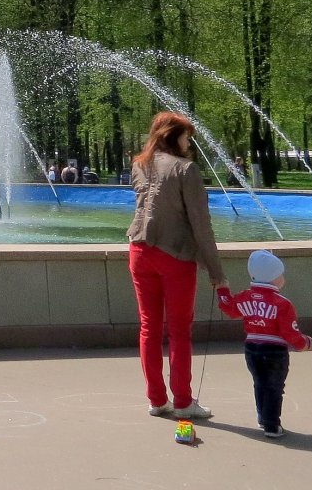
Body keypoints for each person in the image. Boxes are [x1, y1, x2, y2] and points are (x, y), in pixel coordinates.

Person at [127, 111, 227, 420]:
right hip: (175, 255)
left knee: (149, 328)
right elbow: (201, 225)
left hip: (139, 251)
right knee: (180, 331)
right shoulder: (187, 169)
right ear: (173, 136)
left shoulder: (139, 165)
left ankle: (157, 400)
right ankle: (183, 401)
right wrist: (216, 272)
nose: (190, 144)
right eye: (187, 137)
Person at [217, 249, 312, 439]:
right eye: (280, 275)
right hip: (275, 351)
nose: (282, 278)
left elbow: (229, 307)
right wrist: (304, 343)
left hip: (251, 348)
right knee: (274, 387)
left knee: (260, 383)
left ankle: (263, 416)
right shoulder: (283, 304)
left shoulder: (245, 297)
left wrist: (222, 290)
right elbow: (290, 333)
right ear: (273, 279)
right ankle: (272, 425)